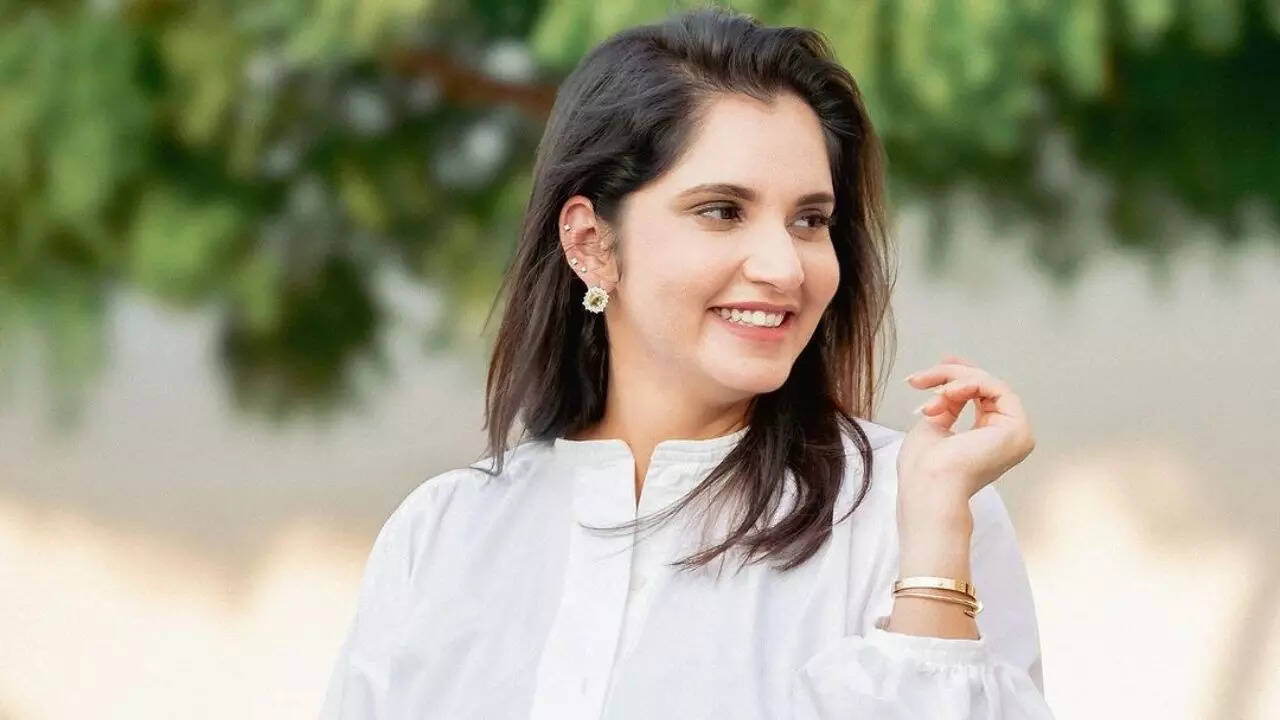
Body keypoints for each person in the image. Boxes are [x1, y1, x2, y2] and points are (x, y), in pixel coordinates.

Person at [320, 7, 1054, 719]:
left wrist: (933, 551)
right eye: (722, 211)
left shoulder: (910, 508)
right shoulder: (443, 535)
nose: (784, 267)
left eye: (810, 220)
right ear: (590, 243)